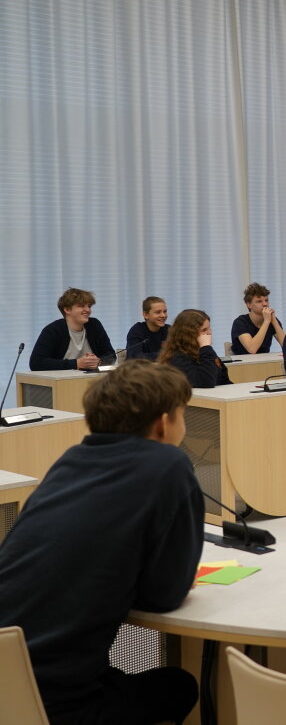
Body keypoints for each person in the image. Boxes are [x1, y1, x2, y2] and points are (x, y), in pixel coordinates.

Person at [0, 360, 204, 725]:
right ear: (163, 423)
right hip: (55, 704)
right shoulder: (169, 465)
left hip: (10, 683)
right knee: (180, 685)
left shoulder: (70, 461)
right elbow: (165, 595)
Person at [30, 288, 116, 370]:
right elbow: (36, 362)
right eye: (81, 306)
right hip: (63, 379)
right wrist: (76, 364)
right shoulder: (52, 330)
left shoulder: (94, 325)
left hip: (92, 377)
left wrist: (99, 361)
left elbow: (111, 355)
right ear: (67, 309)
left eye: (89, 306)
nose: (88, 310)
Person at [158, 309, 231, 388]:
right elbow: (206, 382)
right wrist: (206, 347)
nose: (209, 333)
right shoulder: (177, 357)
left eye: (209, 328)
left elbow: (224, 380)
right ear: (189, 334)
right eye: (204, 330)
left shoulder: (204, 351)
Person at [230, 282, 286, 355]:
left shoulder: (271, 320)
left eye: (266, 300)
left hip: (264, 360)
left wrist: (274, 321)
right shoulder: (240, 322)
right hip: (243, 361)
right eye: (259, 301)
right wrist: (266, 322)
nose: (265, 304)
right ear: (249, 305)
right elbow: (252, 349)